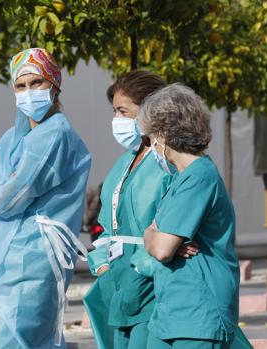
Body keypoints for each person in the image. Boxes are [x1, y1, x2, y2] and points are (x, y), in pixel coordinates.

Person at [0, 48, 91, 348]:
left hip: (34, 264)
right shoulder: (14, 137)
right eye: (20, 86)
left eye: (36, 83)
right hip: (8, 265)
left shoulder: (56, 135)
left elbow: (9, 196)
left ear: (54, 85)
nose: (28, 92)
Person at [83, 71, 198, 349]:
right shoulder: (123, 163)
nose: (116, 120)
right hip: (116, 285)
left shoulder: (169, 164)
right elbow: (108, 225)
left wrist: (142, 267)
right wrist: (101, 265)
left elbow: (178, 223)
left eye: (123, 111)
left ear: (149, 111)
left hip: (152, 288)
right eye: (114, 111)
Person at [136, 83, 249, 348]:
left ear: (162, 134)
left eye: (148, 138)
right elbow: (154, 235)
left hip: (198, 316)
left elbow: (162, 247)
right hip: (169, 314)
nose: (149, 146)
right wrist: (150, 235)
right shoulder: (179, 178)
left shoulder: (200, 177)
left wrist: (152, 236)